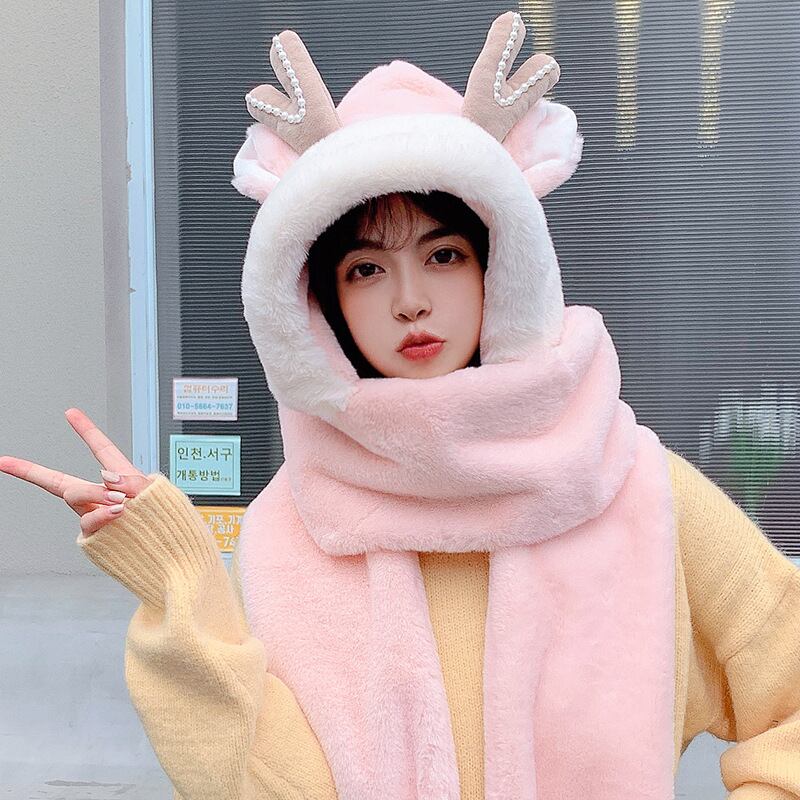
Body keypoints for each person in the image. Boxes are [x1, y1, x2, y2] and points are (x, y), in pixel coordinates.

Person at [2, 10, 800, 800]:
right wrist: (178, 576)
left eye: (443, 255)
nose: (410, 300)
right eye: (366, 269)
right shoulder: (298, 526)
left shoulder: (631, 488)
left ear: (501, 266)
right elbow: (261, 786)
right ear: (323, 304)